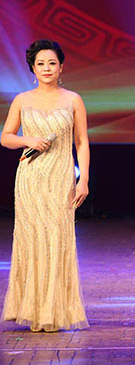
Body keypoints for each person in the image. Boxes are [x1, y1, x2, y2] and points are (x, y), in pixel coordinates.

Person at [1, 40, 90, 332]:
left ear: (61, 67)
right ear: (33, 68)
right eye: (40, 64)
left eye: (52, 63)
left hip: (61, 178)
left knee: (57, 241)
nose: (47, 68)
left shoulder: (73, 99)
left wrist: (83, 179)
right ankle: (32, 310)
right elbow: (6, 137)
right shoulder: (22, 100)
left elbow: (82, 142)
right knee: (32, 241)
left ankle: (54, 311)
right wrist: (28, 140)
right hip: (30, 179)